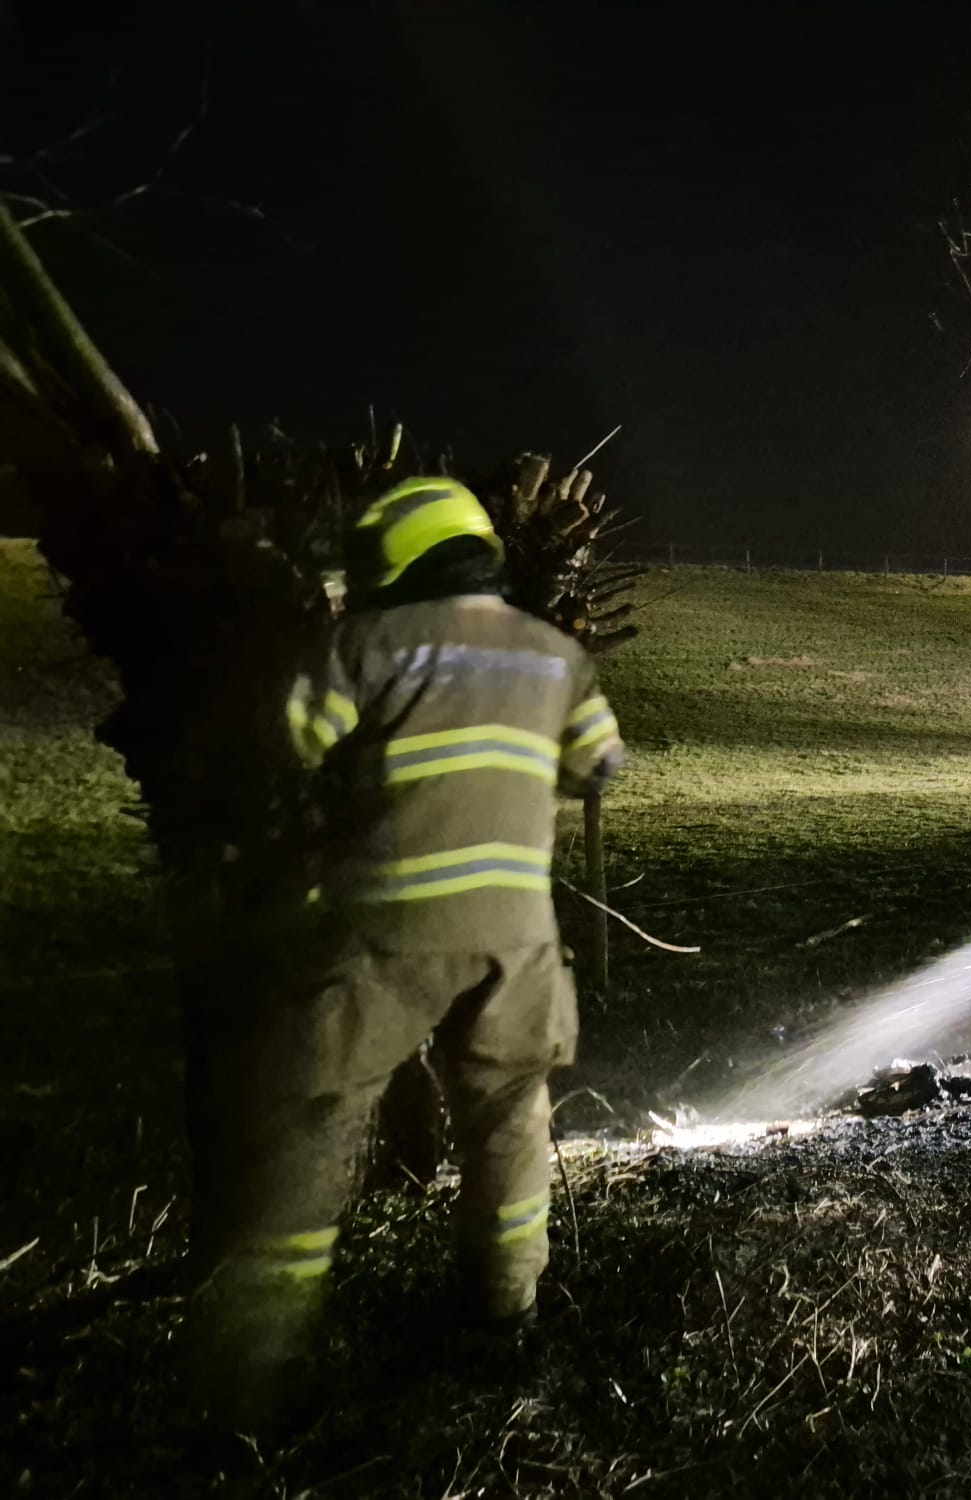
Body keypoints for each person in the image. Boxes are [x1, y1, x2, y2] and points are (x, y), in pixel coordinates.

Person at [197, 476, 623, 1424]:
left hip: (385, 929)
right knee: (509, 1122)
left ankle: (254, 1367)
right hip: (515, 940)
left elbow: (285, 745)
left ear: (389, 561)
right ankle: (505, 1319)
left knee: (312, 1118)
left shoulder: (363, 642)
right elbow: (600, 764)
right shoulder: (554, 653)